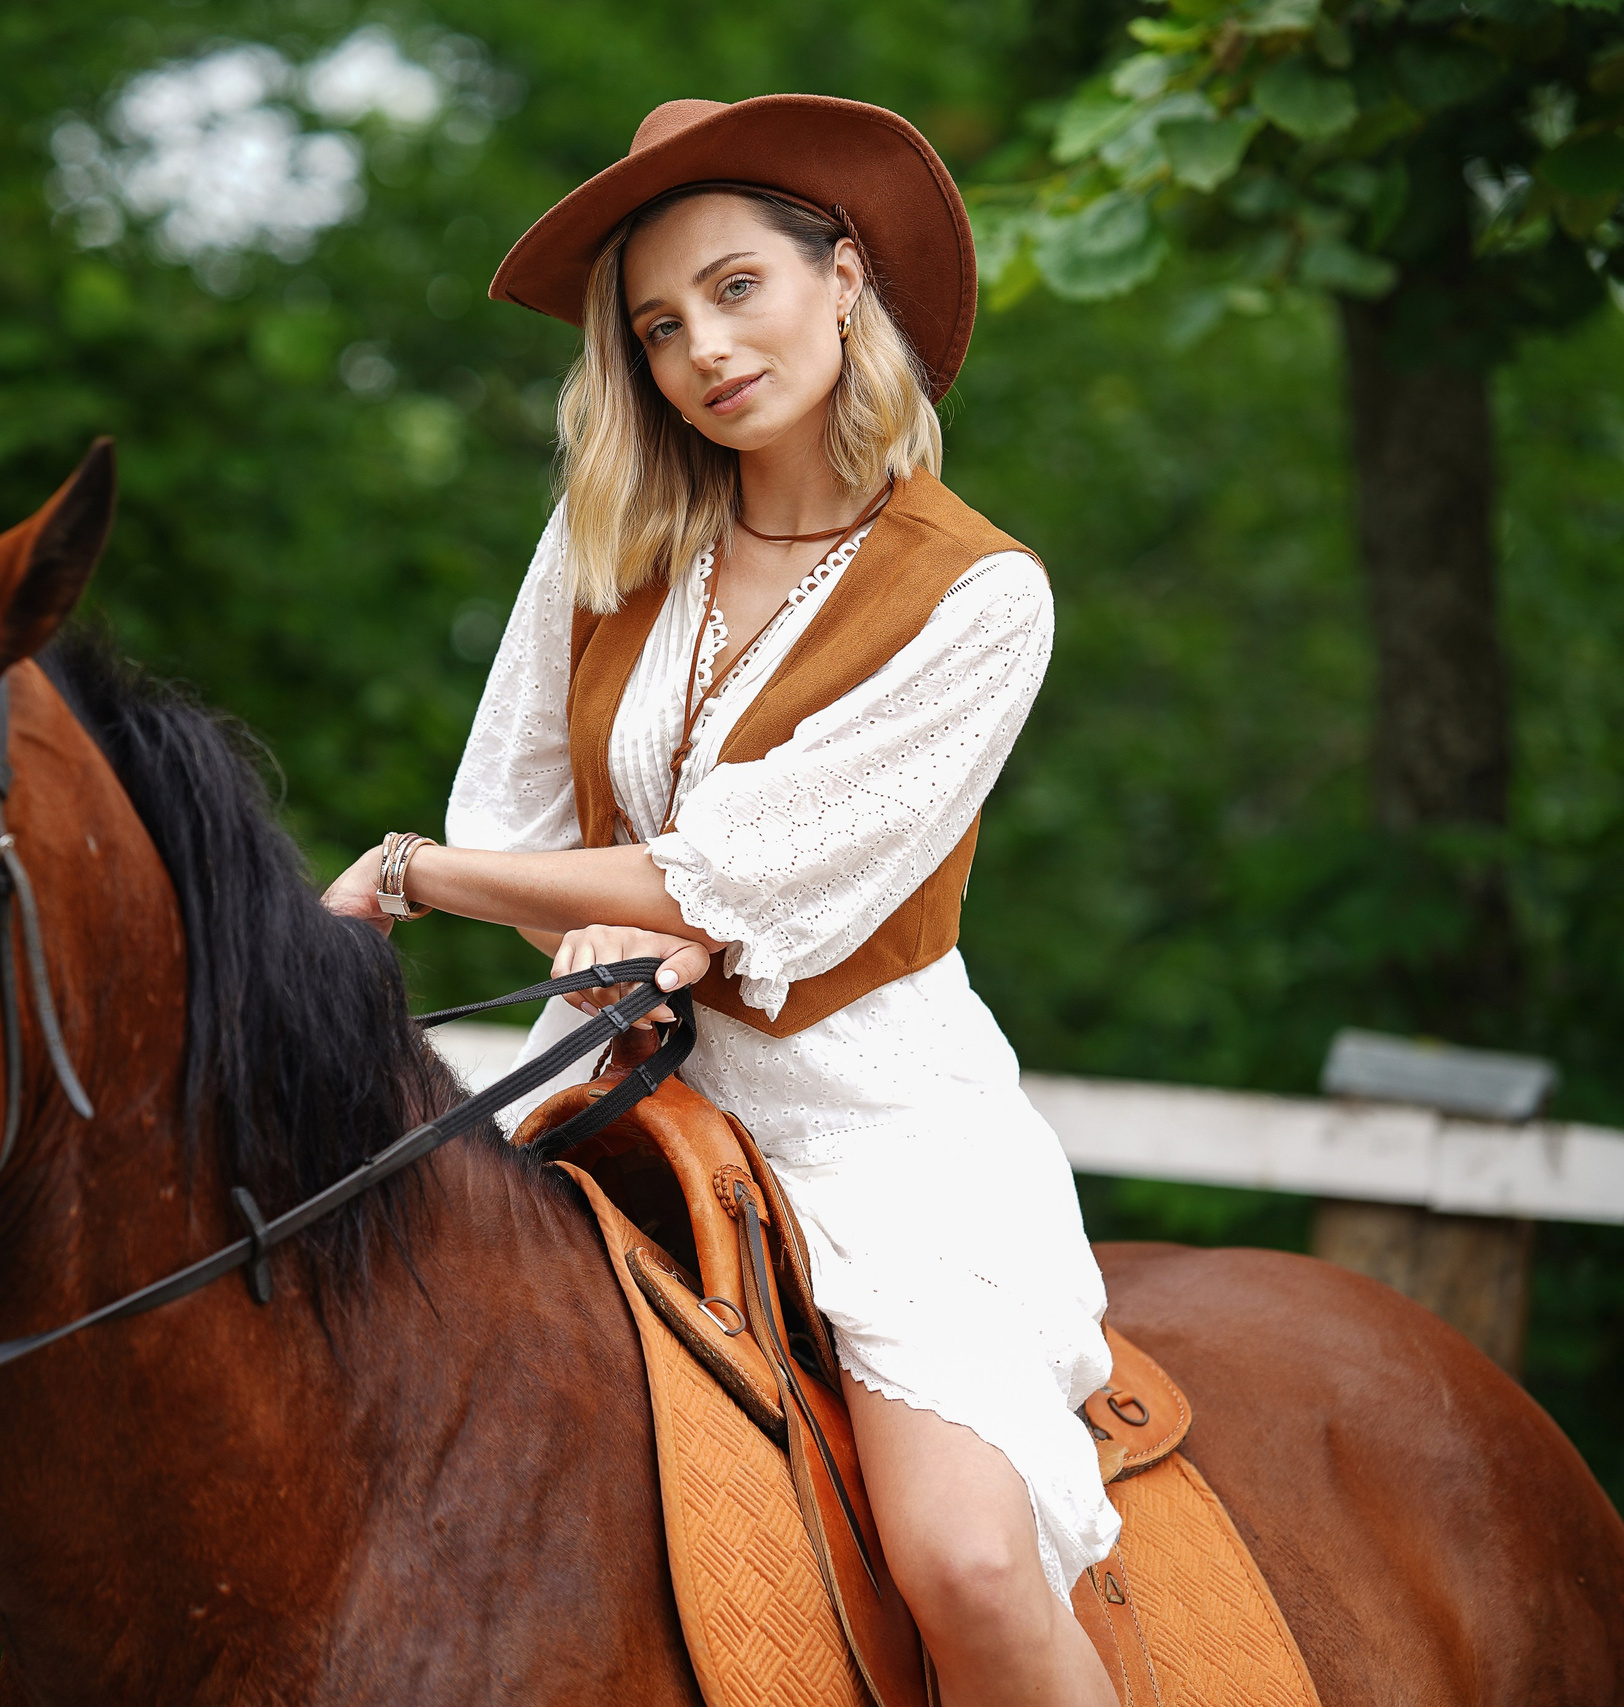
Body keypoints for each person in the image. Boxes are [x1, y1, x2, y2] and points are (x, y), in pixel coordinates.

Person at [323, 96, 1118, 1706]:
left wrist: (419, 877)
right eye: (661, 324)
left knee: (965, 1557)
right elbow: (528, 816)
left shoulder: (979, 593)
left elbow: (736, 883)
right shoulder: (614, 539)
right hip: (606, 1078)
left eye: (738, 287)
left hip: (867, 1126)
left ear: (843, 276)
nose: (704, 348)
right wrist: (587, 928)